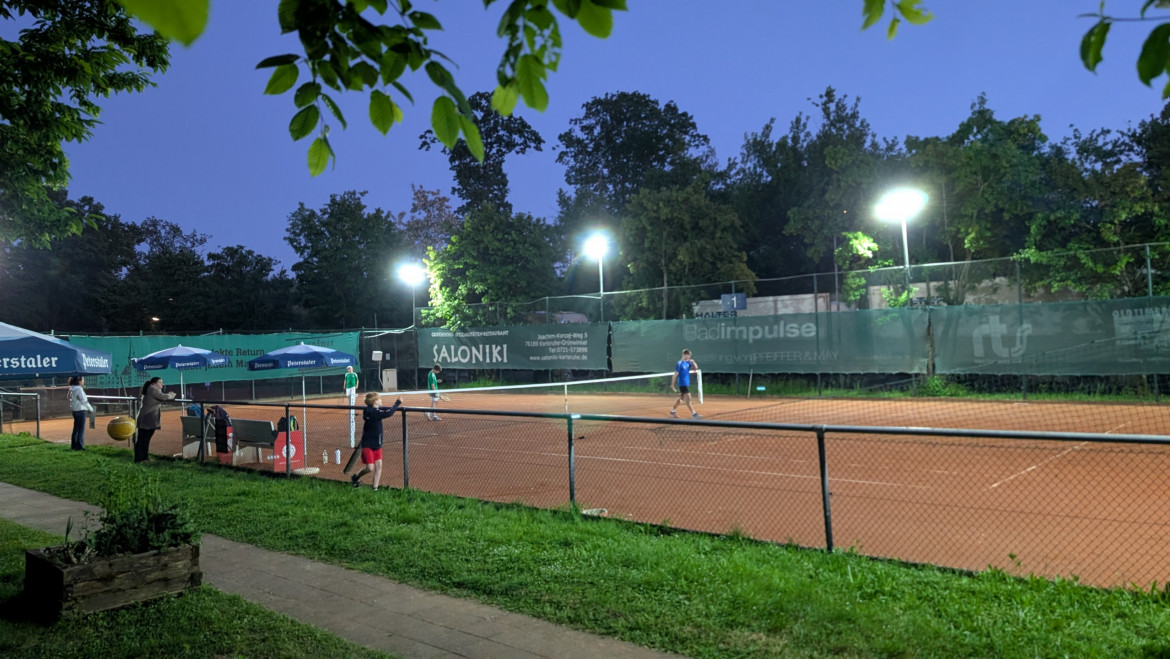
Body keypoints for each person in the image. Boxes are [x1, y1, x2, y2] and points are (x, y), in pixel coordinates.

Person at [351, 392, 402, 491]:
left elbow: (381, 409)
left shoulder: (370, 410)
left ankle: (375, 488)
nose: (381, 400)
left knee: (378, 466)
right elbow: (389, 413)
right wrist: (397, 403)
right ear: (375, 402)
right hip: (368, 444)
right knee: (370, 468)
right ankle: (356, 476)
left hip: (377, 444)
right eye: (379, 399)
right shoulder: (375, 413)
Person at [135, 376, 177, 463]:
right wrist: (172, 395)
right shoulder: (153, 389)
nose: (162, 384)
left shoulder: (151, 388)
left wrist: (167, 394)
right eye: (160, 382)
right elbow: (164, 397)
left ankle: (142, 457)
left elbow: (161, 396)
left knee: (143, 438)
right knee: (144, 439)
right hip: (148, 417)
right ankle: (141, 458)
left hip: (146, 417)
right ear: (154, 383)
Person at [670, 349, 701, 419]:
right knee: (688, 398)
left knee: (681, 398)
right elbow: (675, 374)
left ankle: (672, 411)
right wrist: (672, 384)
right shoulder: (679, 363)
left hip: (686, 383)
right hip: (682, 383)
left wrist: (693, 362)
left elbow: (696, 368)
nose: (689, 357)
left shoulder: (688, 362)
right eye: (688, 355)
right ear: (684, 355)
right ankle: (694, 413)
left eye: (690, 356)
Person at [67, 375, 95, 451]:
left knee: (76, 429)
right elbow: (84, 401)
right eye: (82, 380)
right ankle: (80, 447)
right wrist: (90, 409)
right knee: (80, 430)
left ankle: (74, 446)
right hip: (80, 411)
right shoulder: (79, 389)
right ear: (79, 381)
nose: (84, 381)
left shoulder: (72, 388)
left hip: (75, 410)